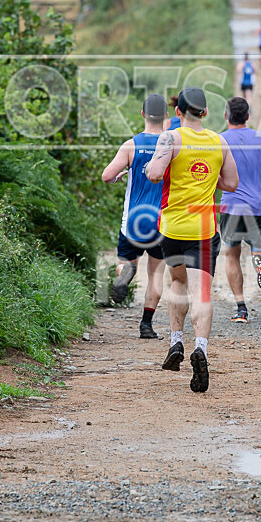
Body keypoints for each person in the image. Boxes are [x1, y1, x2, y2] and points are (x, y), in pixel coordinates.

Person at [146, 87, 238, 392]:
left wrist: (148, 166)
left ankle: (175, 342)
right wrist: (210, 179)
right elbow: (232, 184)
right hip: (204, 229)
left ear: (177, 113)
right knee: (202, 292)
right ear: (206, 113)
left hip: (172, 229)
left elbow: (156, 173)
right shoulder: (219, 140)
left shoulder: (171, 137)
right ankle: (201, 348)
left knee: (178, 284)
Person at [101, 94, 168, 339]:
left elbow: (107, 176)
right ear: (166, 117)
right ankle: (146, 325)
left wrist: (126, 171)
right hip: (161, 221)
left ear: (142, 114)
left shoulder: (131, 145)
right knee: (156, 274)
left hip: (132, 221)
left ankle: (125, 273)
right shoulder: (171, 146)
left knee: (127, 262)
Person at [220, 97, 261, 322]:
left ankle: (241, 308)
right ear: (248, 116)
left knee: (231, 255)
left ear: (226, 116)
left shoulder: (219, 141)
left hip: (231, 205)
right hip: (259, 205)